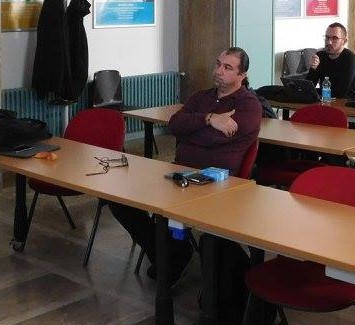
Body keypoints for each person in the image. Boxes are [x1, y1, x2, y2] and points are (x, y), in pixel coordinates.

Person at [110, 47, 262, 284]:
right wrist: (209, 119)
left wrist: (191, 132)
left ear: (242, 75)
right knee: (119, 199)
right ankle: (172, 254)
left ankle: (172, 258)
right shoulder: (202, 97)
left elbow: (214, 139)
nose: (219, 71)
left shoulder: (249, 105)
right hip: (179, 173)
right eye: (218, 64)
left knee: (174, 212)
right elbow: (174, 125)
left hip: (217, 183)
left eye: (228, 68)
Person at [306, 22, 355, 98]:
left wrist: (319, 94)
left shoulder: (349, 58)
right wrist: (313, 69)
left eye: (335, 38)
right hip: (326, 99)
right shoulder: (320, 56)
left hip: (347, 102)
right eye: (327, 37)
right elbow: (308, 89)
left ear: (344, 41)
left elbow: (340, 92)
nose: (329, 42)